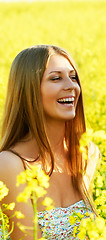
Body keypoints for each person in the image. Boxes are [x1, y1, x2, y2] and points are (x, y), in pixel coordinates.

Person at [0, 45, 99, 240]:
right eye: (56, 78)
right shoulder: (10, 165)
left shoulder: (87, 154)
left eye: (73, 77)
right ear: (29, 91)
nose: (71, 86)